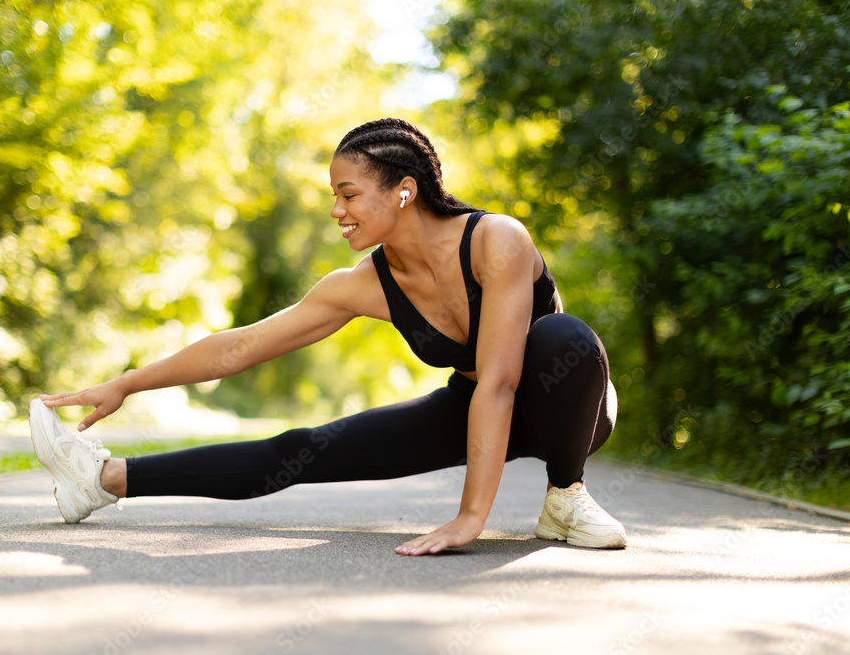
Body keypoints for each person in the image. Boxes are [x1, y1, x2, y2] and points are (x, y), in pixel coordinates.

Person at [32, 117, 627, 556]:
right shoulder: (363, 284)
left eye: (349, 195)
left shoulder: (497, 241)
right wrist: (128, 383)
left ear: (404, 190)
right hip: (472, 408)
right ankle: (103, 480)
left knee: (564, 338)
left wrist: (471, 517)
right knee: (299, 450)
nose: (337, 210)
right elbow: (238, 347)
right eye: (334, 197)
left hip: (568, 414)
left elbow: (501, 382)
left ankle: (565, 494)